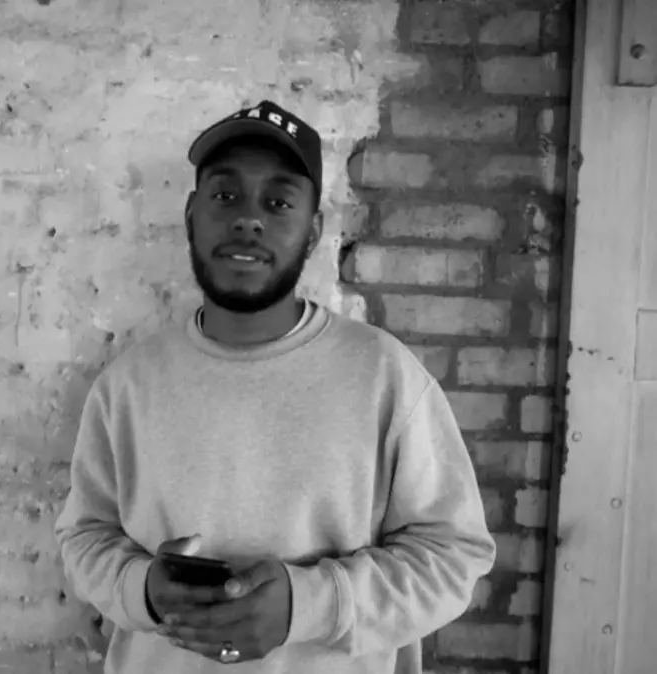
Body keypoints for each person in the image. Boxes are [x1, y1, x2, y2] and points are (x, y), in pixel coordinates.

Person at [54, 100, 496, 674]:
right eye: (225, 196)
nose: (249, 219)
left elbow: (453, 555)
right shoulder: (127, 386)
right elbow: (85, 537)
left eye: (279, 201)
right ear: (191, 214)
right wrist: (144, 588)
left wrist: (309, 605)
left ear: (312, 231)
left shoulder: (384, 376)